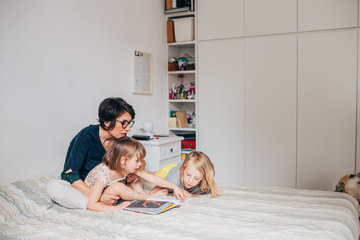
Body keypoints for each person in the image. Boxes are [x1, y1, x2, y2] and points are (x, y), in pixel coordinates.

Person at [47, 97, 139, 209]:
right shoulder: (85, 137)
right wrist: (96, 196)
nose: (128, 128)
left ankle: (102, 202)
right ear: (107, 122)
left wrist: (132, 172)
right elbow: (69, 173)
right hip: (87, 188)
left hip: (111, 186)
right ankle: (96, 203)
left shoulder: (121, 139)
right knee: (54, 186)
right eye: (124, 123)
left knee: (141, 166)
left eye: (129, 123)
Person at [86, 137, 185, 212]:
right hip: (99, 196)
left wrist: (174, 187)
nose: (140, 164)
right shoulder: (103, 174)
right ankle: (145, 197)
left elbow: (152, 178)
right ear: (123, 160)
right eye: (137, 161)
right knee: (118, 187)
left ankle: (145, 195)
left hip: (112, 189)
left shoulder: (126, 167)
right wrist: (117, 208)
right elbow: (92, 204)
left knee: (135, 177)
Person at [150, 151, 221, 198]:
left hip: (184, 166)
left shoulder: (204, 186)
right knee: (150, 175)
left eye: (196, 178)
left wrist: (190, 195)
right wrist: (162, 191)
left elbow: (199, 193)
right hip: (169, 169)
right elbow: (154, 190)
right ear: (183, 170)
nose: (190, 181)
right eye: (188, 175)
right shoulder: (173, 179)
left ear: (203, 178)